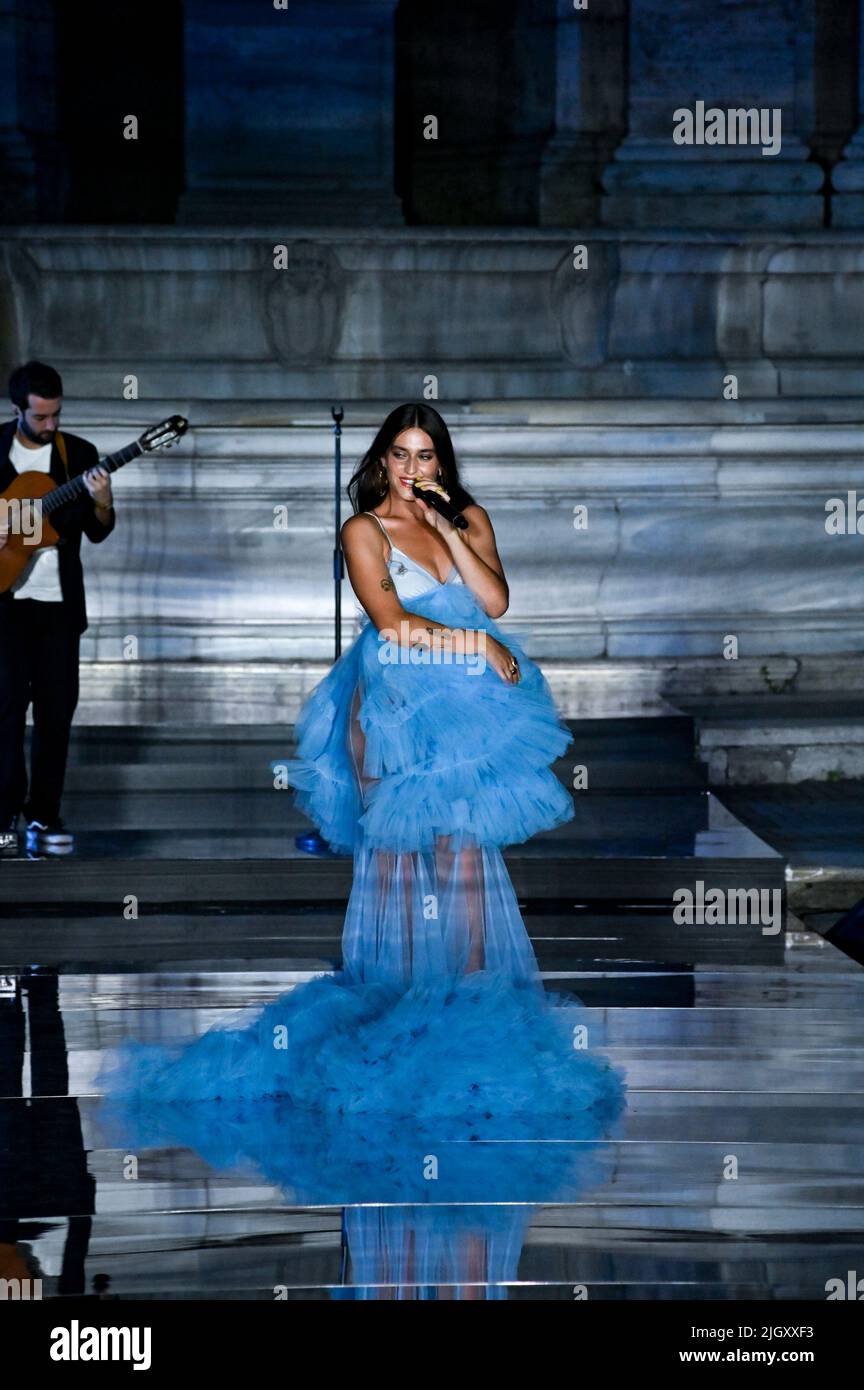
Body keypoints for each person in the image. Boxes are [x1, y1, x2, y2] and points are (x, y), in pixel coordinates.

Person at [100, 403, 624, 1124]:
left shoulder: (465, 520)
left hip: (466, 718)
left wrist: (448, 528)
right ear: (381, 461)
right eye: (402, 456)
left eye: (427, 457)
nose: (414, 470)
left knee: (467, 863)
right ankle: (395, 1016)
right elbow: (394, 625)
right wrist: (479, 647)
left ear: (442, 463)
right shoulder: (364, 530)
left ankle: (468, 1022)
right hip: (393, 708)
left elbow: (494, 599)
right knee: (404, 862)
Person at [0, 362, 115, 854]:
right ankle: (4, 813)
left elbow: (99, 530)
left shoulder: (79, 456)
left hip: (57, 607)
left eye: (57, 415)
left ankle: (43, 816)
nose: (51, 426)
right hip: (5, 606)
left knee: (56, 711)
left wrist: (103, 501)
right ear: (18, 410)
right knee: (4, 710)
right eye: (41, 417)